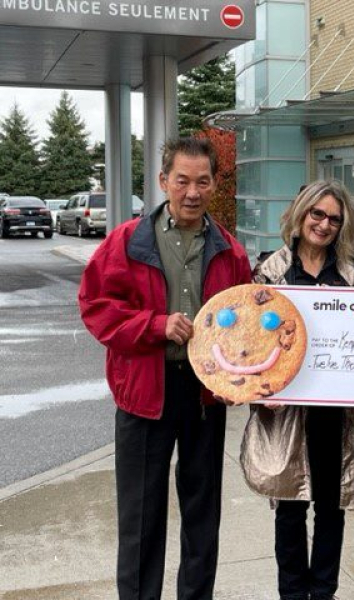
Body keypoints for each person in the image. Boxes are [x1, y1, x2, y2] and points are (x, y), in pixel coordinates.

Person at [78, 137, 252, 600]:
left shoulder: (231, 253)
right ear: (163, 182)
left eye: (202, 181)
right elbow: (96, 306)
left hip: (203, 395)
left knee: (202, 516)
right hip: (143, 394)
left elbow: (246, 329)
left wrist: (240, 377)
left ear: (215, 185)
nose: (192, 191)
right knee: (140, 517)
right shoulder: (126, 242)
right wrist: (154, 325)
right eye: (182, 181)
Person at [244, 180, 354, 600]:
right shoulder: (270, 272)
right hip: (287, 411)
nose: (324, 224)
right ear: (300, 214)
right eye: (317, 214)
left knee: (331, 510)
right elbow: (252, 340)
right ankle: (293, 594)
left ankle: (324, 592)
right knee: (290, 507)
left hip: (335, 412)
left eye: (334, 218)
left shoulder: (352, 275)